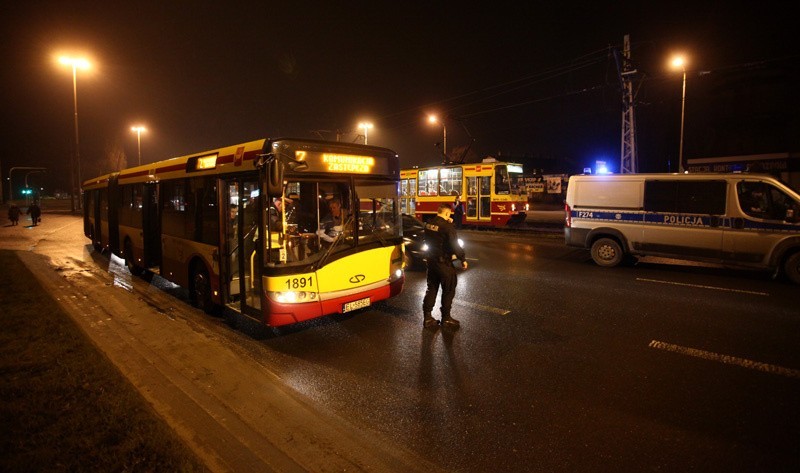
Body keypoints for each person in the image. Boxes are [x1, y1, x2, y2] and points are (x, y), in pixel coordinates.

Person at [422, 203, 468, 329]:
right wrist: (462, 259)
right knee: (448, 290)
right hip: (444, 264)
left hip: (431, 262)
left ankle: (427, 318)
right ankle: (446, 318)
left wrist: (448, 223)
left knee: (431, 288)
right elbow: (454, 245)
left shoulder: (428, 224)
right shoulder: (447, 227)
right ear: (447, 213)